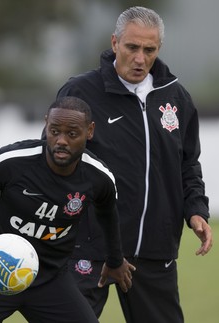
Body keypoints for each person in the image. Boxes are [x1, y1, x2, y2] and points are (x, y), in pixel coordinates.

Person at [55, 6, 213, 323]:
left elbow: (188, 164)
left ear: (158, 49)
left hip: (154, 249)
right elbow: (54, 161)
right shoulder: (80, 92)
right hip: (89, 247)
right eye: (132, 47)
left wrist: (195, 210)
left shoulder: (177, 98)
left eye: (149, 49)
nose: (140, 58)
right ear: (115, 43)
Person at [0, 96, 136, 323]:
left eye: (72, 134)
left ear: (90, 131)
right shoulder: (12, 162)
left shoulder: (99, 177)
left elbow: (107, 213)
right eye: (54, 131)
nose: (61, 140)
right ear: (46, 125)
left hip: (52, 279)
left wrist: (115, 260)